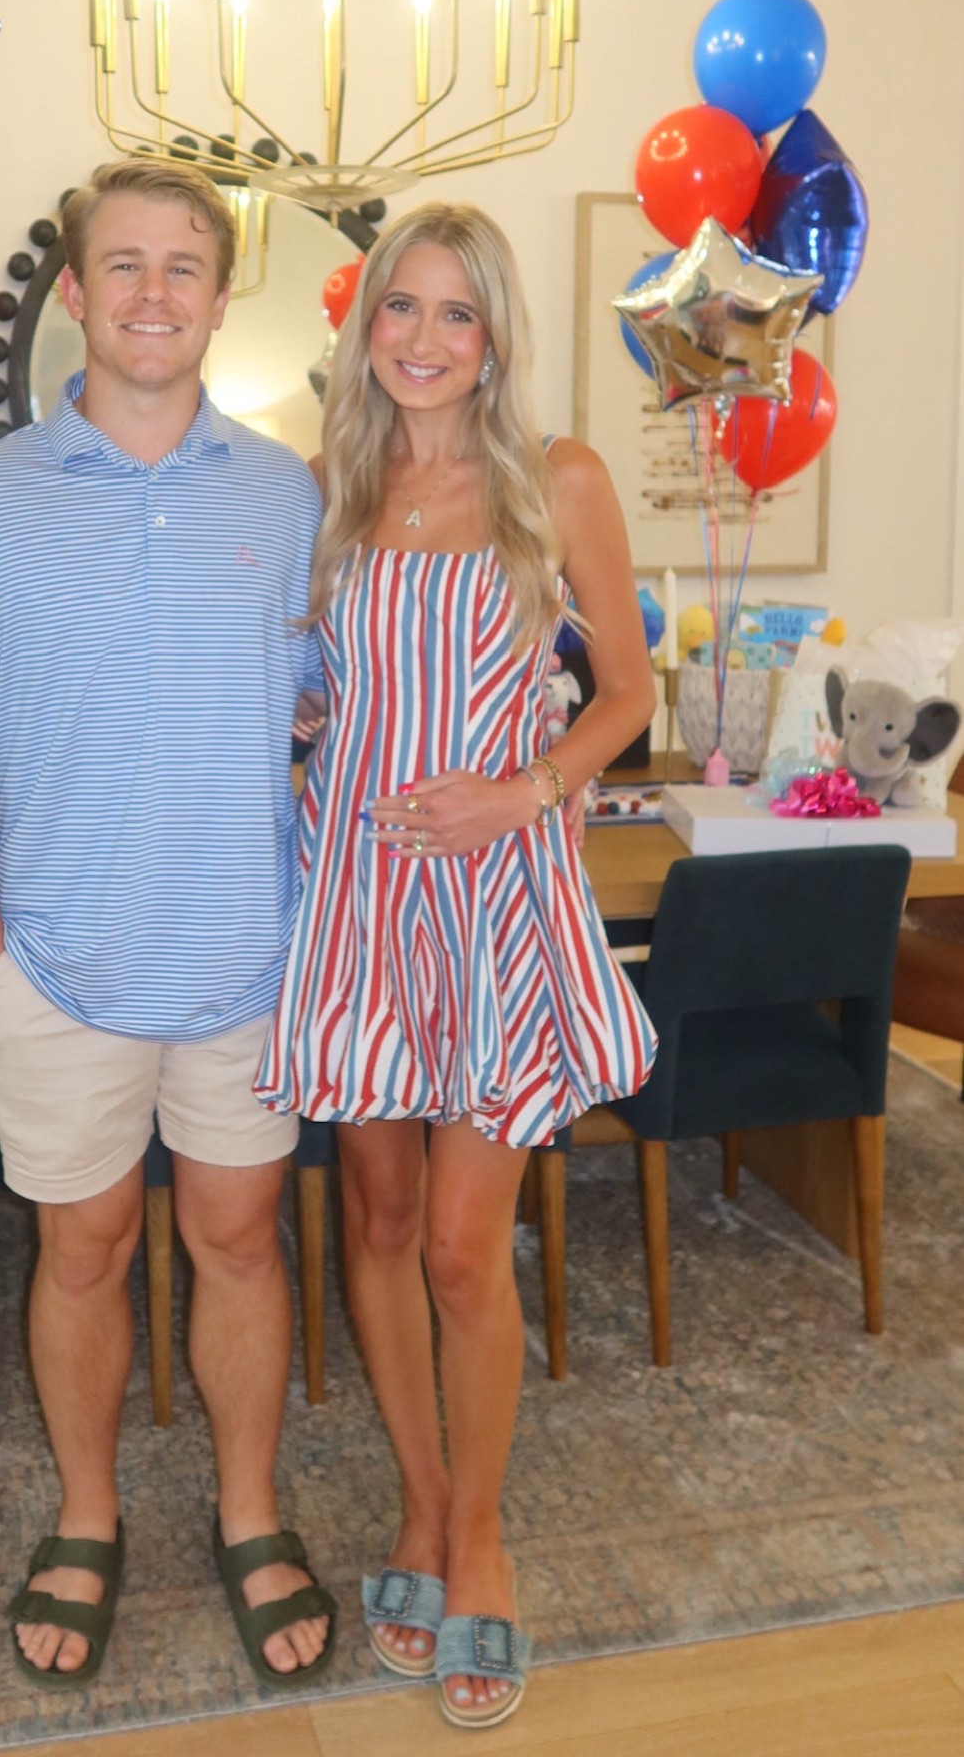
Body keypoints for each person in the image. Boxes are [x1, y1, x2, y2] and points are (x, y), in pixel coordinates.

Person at [0, 158, 336, 1693]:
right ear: (74, 294)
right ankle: (86, 1511)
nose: (151, 293)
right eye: (120, 266)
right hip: (55, 967)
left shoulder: (288, 496)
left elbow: (341, 706)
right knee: (84, 1247)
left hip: (244, 956)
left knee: (239, 1241)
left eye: (182, 268)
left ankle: (251, 1508)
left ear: (218, 296)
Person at [254, 201, 658, 1731]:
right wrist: (306, 725)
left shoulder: (556, 481)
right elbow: (314, 685)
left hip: (495, 894)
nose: (422, 340)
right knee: (371, 1213)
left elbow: (619, 694)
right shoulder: (327, 489)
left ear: (495, 338)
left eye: (455, 315)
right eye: (399, 311)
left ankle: (481, 1535)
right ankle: (418, 1505)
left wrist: (521, 789)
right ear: (365, 332)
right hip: (356, 899)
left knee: (458, 1249)